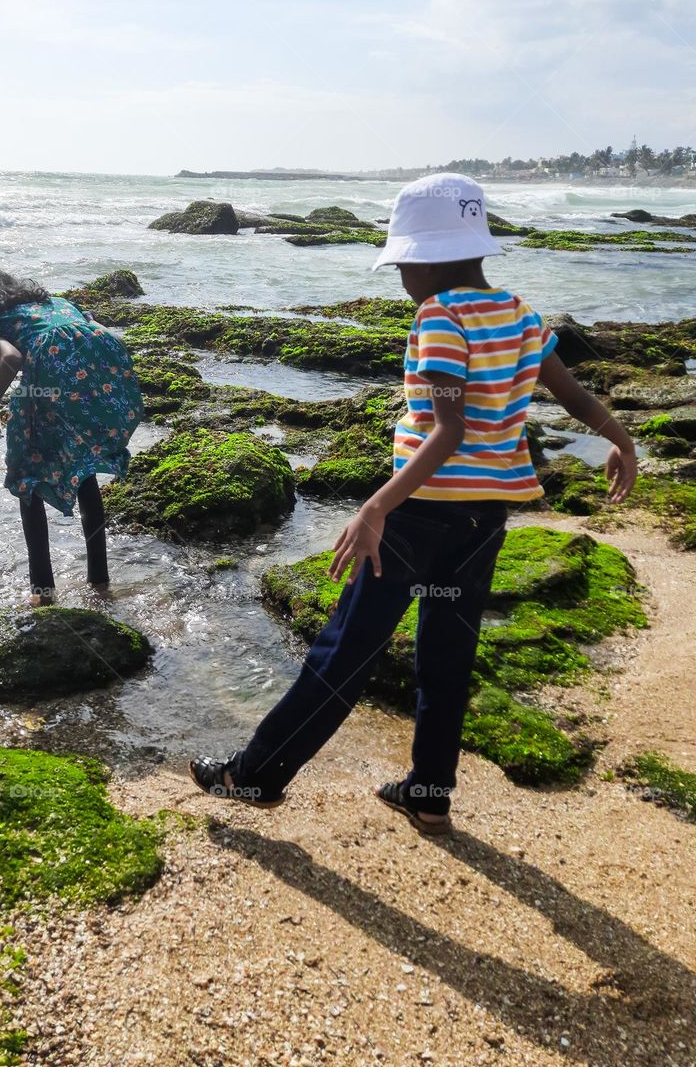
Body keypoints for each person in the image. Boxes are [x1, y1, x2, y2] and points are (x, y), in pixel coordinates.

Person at [190, 173, 638, 834]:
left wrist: (376, 508)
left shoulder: (439, 316)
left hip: (418, 512)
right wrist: (621, 439)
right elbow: (571, 395)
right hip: (484, 518)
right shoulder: (521, 313)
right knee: (446, 657)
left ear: (425, 259)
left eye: (403, 264)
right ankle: (428, 792)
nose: (401, 279)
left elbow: (446, 430)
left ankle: (253, 777)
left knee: (346, 652)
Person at [0, 270, 143, 596]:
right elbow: (98, 332)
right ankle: (100, 580)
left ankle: (43, 591)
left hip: (55, 362)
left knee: (28, 473)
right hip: (104, 358)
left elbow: (11, 359)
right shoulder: (57, 303)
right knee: (85, 464)